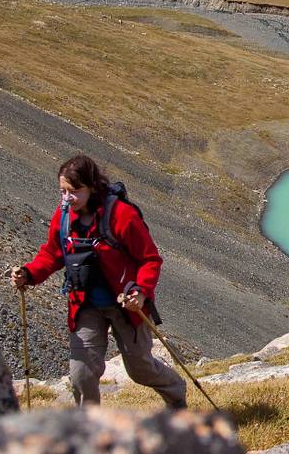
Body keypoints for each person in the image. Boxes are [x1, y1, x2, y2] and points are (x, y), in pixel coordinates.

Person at [10, 155, 187, 408]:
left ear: (92, 187)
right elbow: (52, 254)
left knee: (140, 369)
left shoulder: (121, 215)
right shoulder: (63, 217)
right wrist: (28, 273)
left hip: (126, 305)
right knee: (81, 372)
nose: (67, 197)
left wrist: (141, 292)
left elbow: (150, 259)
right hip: (85, 304)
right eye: (62, 191)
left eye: (73, 191)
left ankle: (176, 393)